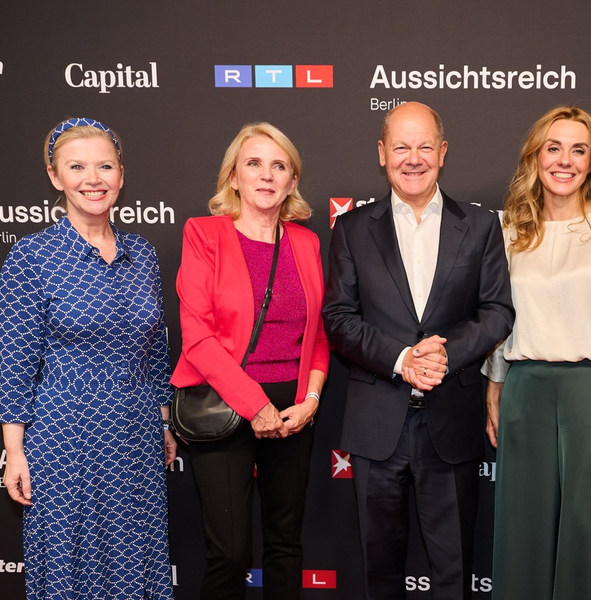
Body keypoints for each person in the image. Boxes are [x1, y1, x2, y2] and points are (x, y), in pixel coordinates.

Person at [323, 101, 514, 600]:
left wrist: (444, 356)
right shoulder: (350, 229)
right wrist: (402, 360)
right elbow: (338, 320)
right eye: (401, 146)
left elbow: (497, 312)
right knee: (378, 572)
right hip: (376, 425)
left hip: (451, 425)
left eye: (425, 146)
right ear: (382, 153)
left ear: (443, 152)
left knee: (454, 572)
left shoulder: (479, 225)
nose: (414, 158)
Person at [0, 117, 175, 599]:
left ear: (120, 174)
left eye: (104, 166)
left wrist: (162, 421)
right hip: (62, 435)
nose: (92, 179)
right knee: (67, 556)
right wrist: (14, 451)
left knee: (135, 555)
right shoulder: (31, 257)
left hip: (135, 432)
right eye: (76, 167)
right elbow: (14, 361)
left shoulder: (142, 252)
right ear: (56, 178)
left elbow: (155, 346)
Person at [483, 106, 591, 599]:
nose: (565, 160)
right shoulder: (512, 228)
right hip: (524, 390)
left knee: (587, 531)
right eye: (553, 148)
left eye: (579, 150)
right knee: (522, 533)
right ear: (535, 157)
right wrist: (494, 388)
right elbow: (499, 318)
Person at [170, 122, 329, 600]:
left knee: (285, 545)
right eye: (253, 164)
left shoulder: (306, 242)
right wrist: (254, 404)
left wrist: (312, 401)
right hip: (224, 404)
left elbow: (318, 335)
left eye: (279, 166)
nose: (266, 175)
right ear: (233, 177)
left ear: (292, 180)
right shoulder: (204, 234)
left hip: (293, 412)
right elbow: (196, 339)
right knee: (231, 553)